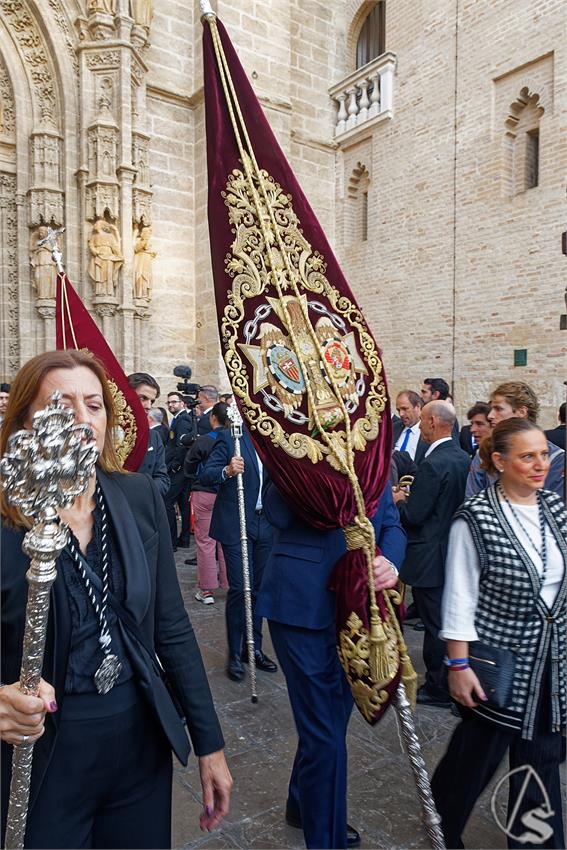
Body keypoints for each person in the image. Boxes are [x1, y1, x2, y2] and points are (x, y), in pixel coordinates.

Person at [0, 349, 232, 849]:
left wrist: (210, 743)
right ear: (23, 423)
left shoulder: (137, 495)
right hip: (44, 753)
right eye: (61, 405)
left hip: (137, 741)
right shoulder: (6, 516)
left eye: (94, 405)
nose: (83, 420)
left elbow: (171, 626)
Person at [431, 418, 566, 849]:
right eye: (527, 456)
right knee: (474, 760)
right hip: (496, 667)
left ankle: (535, 842)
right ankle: (441, 825)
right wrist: (457, 664)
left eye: (543, 454)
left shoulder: (556, 508)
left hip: (550, 669)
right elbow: (460, 596)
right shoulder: (475, 518)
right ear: (500, 461)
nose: (540, 464)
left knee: (541, 763)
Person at [255, 482, 406, 849]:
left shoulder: (372, 453)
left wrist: (390, 562)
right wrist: (314, 477)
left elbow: (391, 522)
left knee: (331, 722)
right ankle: (327, 839)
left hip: (360, 606)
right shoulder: (289, 449)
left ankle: (301, 801)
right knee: (325, 733)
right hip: (301, 600)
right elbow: (276, 512)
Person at [395, 401, 470, 707]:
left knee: (435, 624)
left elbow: (415, 515)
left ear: (433, 422)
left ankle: (438, 686)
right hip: (450, 550)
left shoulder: (433, 463)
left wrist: (399, 500)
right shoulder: (462, 457)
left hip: (429, 557)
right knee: (441, 620)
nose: (421, 427)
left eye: (423, 420)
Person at [200, 427, 277, 680]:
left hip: (265, 524)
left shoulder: (273, 437)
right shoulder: (230, 436)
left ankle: (252, 648)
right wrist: (228, 470)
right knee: (241, 588)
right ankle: (234, 652)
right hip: (236, 523)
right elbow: (207, 474)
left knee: (259, 590)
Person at [466, 382, 564, 499]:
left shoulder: (556, 458)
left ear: (521, 412)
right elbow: (471, 498)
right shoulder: (484, 453)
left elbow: (555, 503)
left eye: (498, 409)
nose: (490, 416)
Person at [184, 402, 229, 604]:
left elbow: (189, 465)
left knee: (205, 542)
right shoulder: (235, 439)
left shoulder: (204, 440)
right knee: (226, 541)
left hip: (205, 493)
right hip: (226, 493)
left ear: (213, 418)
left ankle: (206, 590)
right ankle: (229, 583)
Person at [127, 371, 169, 497]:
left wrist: (141, 492)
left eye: (152, 401)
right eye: (143, 398)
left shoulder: (154, 437)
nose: (148, 406)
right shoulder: (106, 432)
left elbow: (163, 480)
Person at [164, 391, 193, 549]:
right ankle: (184, 539)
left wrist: (175, 466)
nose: (171, 405)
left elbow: (181, 445)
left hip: (178, 469)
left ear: (182, 403)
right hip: (181, 469)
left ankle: (172, 541)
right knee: (183, 504)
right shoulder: (178, 419)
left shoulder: (182, 420)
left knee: (168, 502)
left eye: (174, 402)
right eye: (169, 402)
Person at [393, 390, 427, 463]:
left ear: (417, 407)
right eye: (398, 410)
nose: (401, 414)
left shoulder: (428, 431)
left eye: (405, 409)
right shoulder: (394, 428)